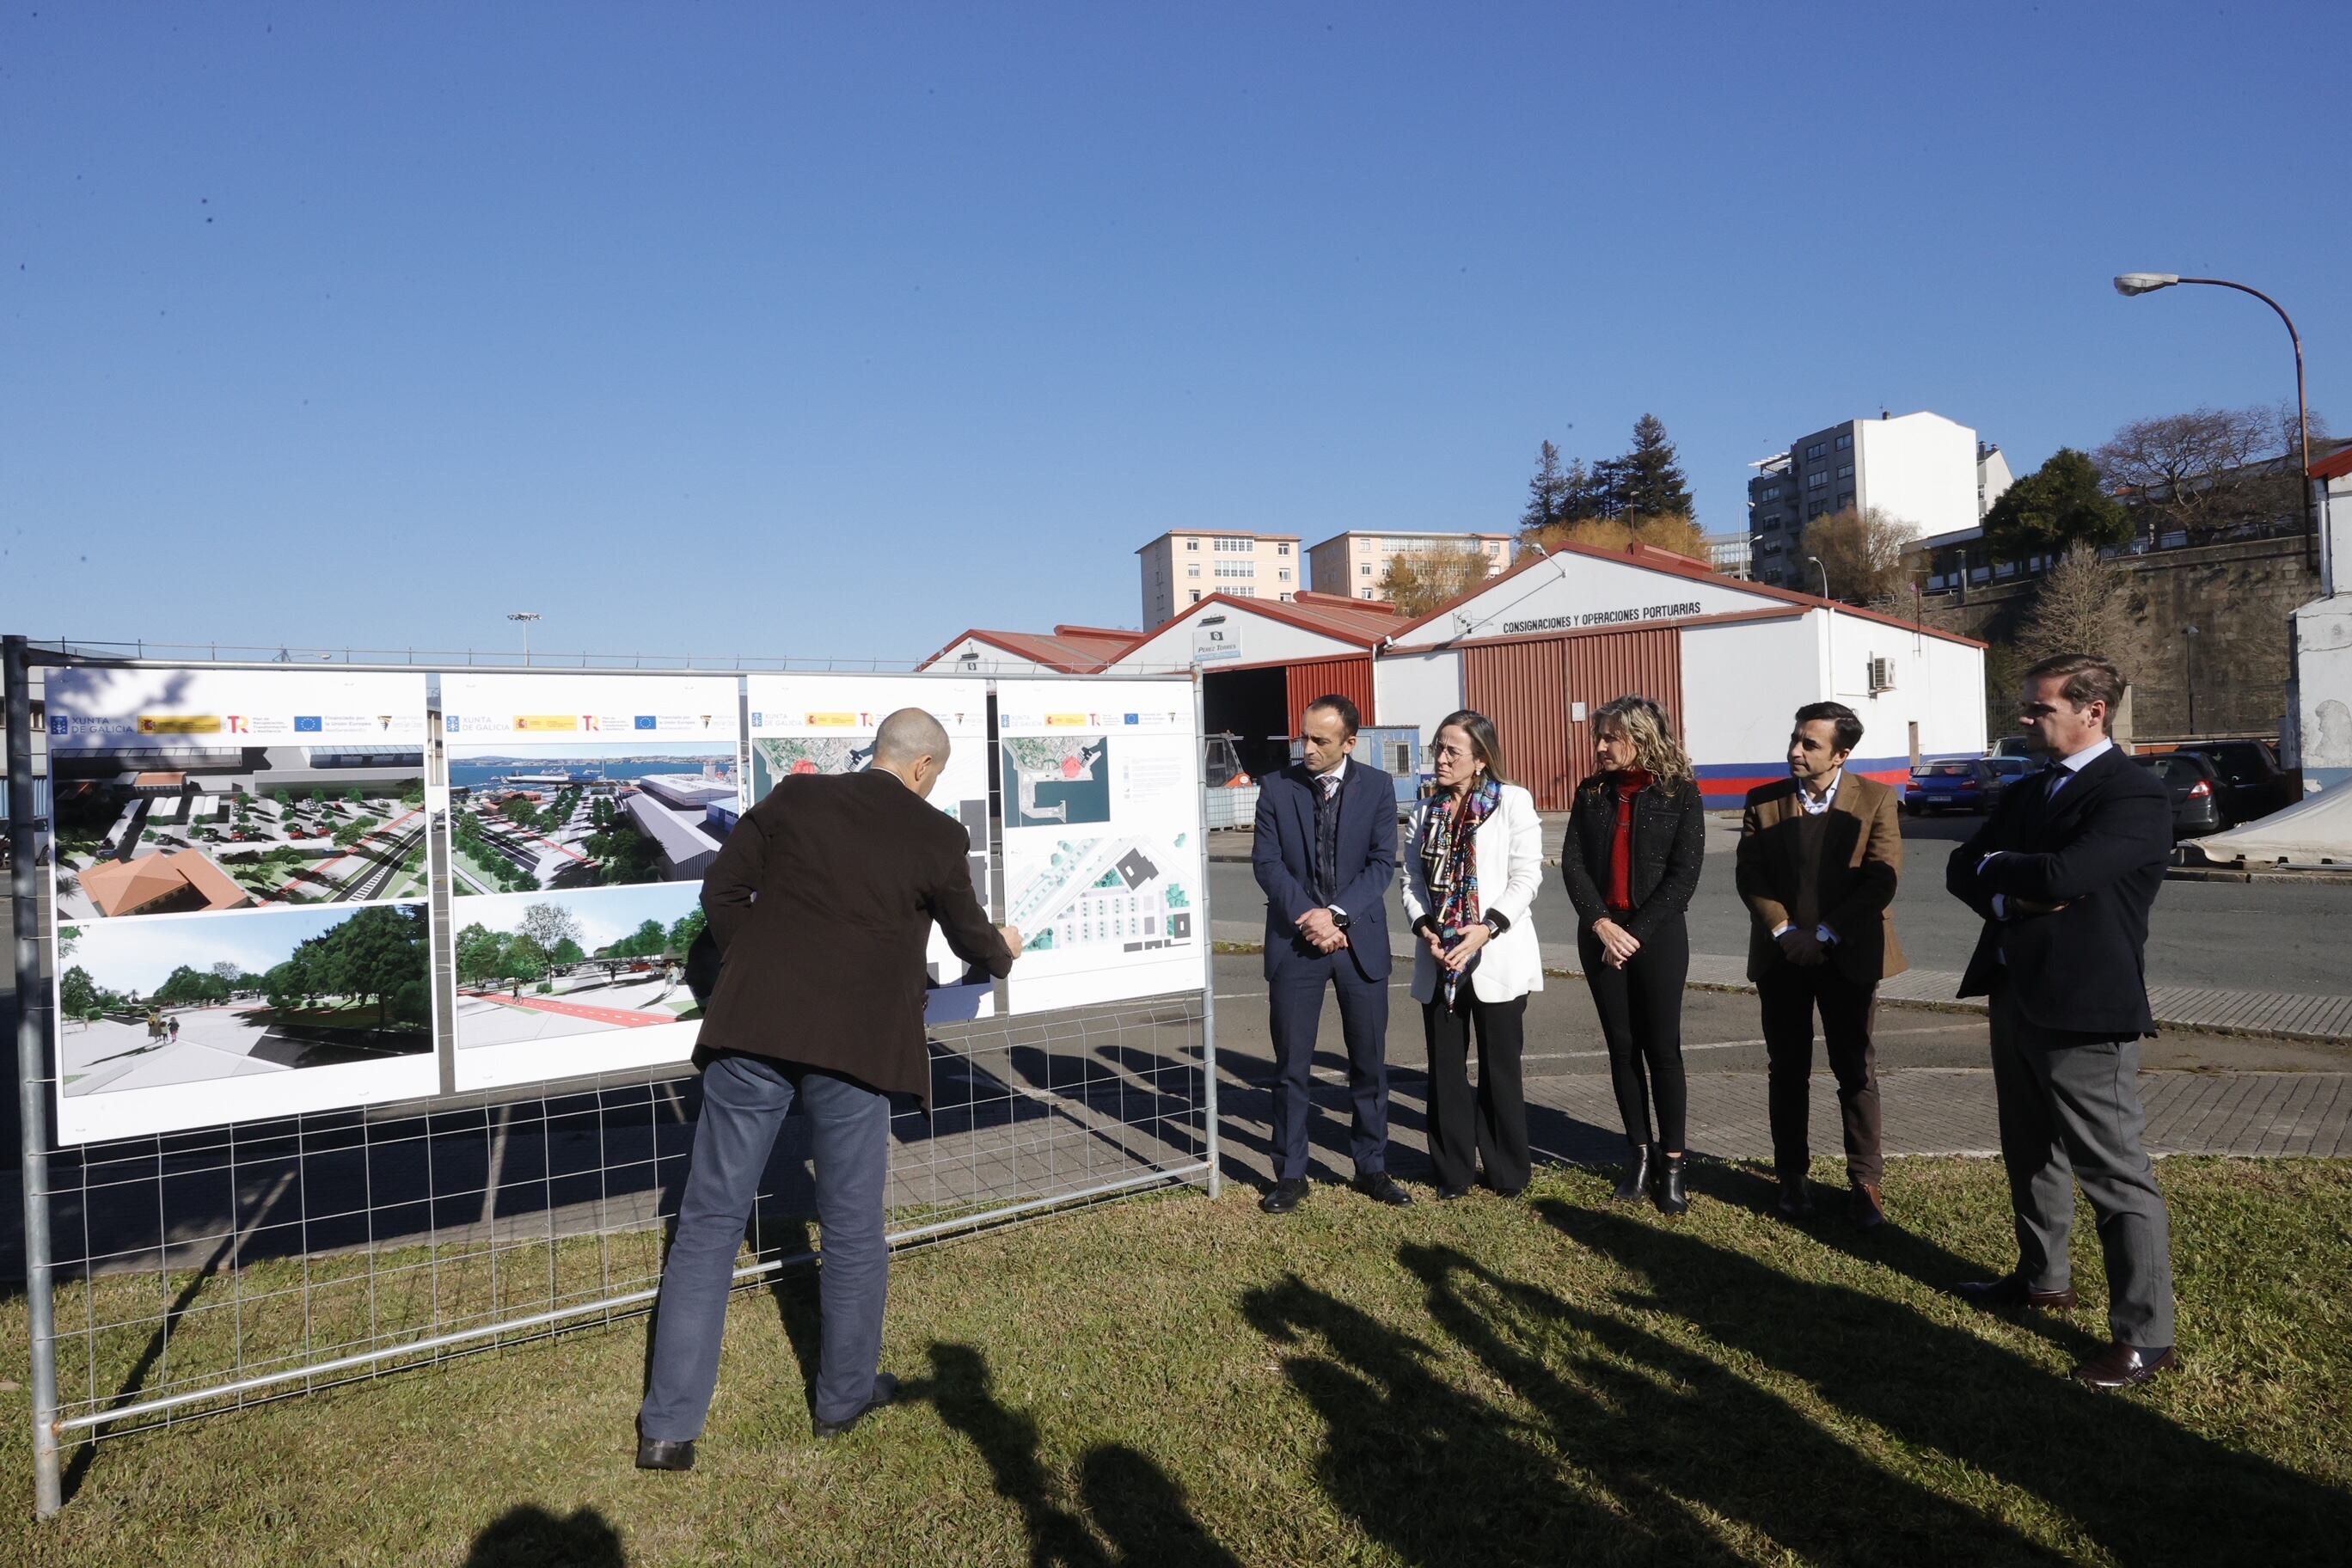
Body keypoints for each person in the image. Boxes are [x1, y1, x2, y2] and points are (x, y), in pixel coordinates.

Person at [635, 708, 1022, 1470]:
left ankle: (668, 1430)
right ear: (921, 768)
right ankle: (842, 1401)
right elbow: (973, 941)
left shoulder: (797, 798)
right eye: (934, 777)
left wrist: (768, 969)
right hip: (858, 1045)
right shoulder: (937, 835)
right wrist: (1003, 949)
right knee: (849, 1227)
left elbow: (722, 891)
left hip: (753, 1029)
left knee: (710, 1222)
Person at [1946, 652, 2179, 1390]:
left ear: (2092, 712)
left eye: (2038, 708)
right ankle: (2044, 1279)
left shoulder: (2135, 795)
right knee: (2029, 1150)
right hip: (2015, 990)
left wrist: (2008, 869)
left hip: (2085, 1005)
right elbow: (1962, 866)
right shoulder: (2033, 787)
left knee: (2113, 1172)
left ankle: (2146, 1337)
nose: (2023, 719)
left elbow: (2067, 877)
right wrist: (2012, 890)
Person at [1736, 701, 1905, 1228]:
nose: (1795, 751)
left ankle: (1865, 1184)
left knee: (1855, 1070)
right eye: (1795, 739)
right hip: (1781, 956)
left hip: (1848, 955)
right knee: (1787, 1070)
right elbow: (1751, 875)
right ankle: (1792, 1179)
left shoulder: (1875, 800)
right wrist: (1786, 933)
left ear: (1842, 753)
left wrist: (1826, 934)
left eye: (1810, 744)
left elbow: (1882, 878)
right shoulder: (1763, 802)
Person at [1251, 693, 1408, 1214]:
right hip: (1297, 943)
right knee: (1291, 1066)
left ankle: (1372, 1166)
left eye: (1321, 740)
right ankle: (1291, 1173)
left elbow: (1383, 863)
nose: (1309, 748)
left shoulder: (1379, 787)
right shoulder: (1276, 788)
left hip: (1359, 941)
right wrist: (1312, 918)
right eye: (1305, 737)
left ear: (1349, 742)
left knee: (1368, 1064)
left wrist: (1336, 915)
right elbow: (1268, 864)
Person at [1559, 695, 1706, 1215]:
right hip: (1601, 936)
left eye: (1610, 737)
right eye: (1598, 736)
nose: (1599, 747)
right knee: (1622, 1050)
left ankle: (1672, 1164)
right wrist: (1601, 925)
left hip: (1657, 937)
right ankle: (1638, 1155)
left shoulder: (1679, 793)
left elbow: (1683, 876)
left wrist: (1634, 934)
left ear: (1642, 737)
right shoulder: (1592, 793)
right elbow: (1572, 863)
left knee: (1663, 1050)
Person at [1400, 710, 1544, 1199]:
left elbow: (1527, 878)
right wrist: (1425, 929)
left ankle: (1507, 1172)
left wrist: (1486, 929)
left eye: (1451, 750)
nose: (1440, 759)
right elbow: (1412, 880)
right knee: (1445, 1070)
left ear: (1480, 758)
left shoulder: (1512, 803)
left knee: (1500, 1068)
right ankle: (1453, 1172)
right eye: (1437, 748)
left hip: (1495, 954)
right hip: (1441, 958)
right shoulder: (1424, 811)